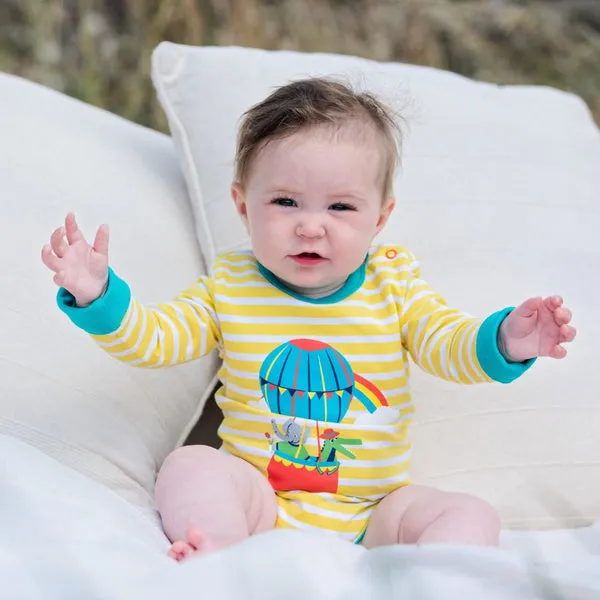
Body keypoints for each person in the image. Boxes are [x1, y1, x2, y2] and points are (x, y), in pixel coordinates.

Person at [41, 77, 576, 561]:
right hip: (259, 499)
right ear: (244, 207)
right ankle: (219, 549)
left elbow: (447, 344)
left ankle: (435, 574)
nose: (311, 227)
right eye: (286, 202)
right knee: (188, 465)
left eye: (341, 207)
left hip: (375, 513)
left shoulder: (395, 285)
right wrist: (99, 297)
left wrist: (508, 339)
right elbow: (154, 340)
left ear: (380, 217)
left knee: (471, 515)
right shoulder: (231, 286)